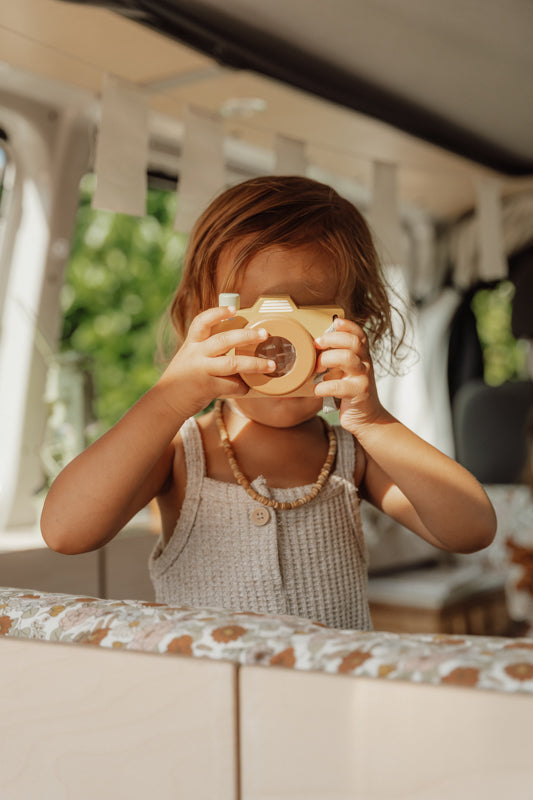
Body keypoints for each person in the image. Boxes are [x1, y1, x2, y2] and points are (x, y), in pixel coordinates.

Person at [41, 176, 496, 630]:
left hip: (327, 700)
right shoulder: (182, 453)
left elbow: (472, 529)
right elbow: (65, 531)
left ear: (358, 322)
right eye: (253, 317)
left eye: (305, 316)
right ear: (201, 320)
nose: (276, 345)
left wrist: (374, 422)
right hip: (214, 700)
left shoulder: (354, 456)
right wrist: (169, 399)